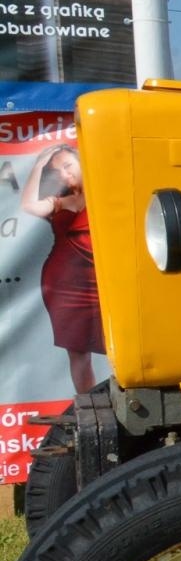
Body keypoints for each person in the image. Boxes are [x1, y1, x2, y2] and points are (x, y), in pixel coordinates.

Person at [20, 145, 103, 393]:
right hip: (63, 283)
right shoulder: (58, 202)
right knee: (78, 353)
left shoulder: (104, 192)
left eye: (68, 166)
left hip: (103, 281)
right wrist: (37, 167)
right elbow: (29, 207)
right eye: (58, 173)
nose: (66, 176)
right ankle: (89, 407)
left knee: (120, 349)